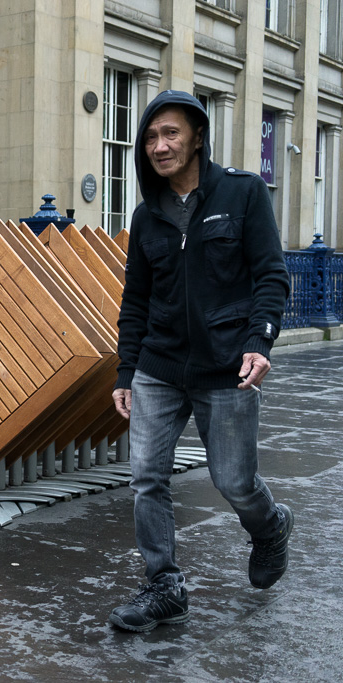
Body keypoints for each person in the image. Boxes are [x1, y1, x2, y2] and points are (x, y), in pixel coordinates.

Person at [108, 90, 293, 633]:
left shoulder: (243, 193)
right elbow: (135, 300)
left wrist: (260, 342)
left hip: (227, 367)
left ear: (196, 138)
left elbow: (271, 276)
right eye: (150, 138)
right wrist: (125, 371)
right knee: (147, 478)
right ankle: (165, 585)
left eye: (170, 134)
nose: (159, 146)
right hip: (159, 366)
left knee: (234, 482)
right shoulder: (147, 217)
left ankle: (270, 528)